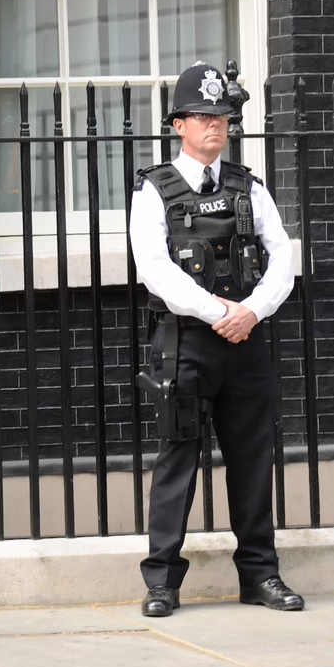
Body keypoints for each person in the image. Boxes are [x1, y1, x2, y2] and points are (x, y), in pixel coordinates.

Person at [130, 59, 300, 618]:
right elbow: (154, 269)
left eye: (221, 117)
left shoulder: (247, 186)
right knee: (177, 459)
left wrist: (251, 311)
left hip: (245, 343)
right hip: (185, 344)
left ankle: (260, 576)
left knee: (252, 460)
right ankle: (162, 582)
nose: (214, 126)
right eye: (203, 117)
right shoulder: (155, 190)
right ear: (178, 125)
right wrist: (219, 311)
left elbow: (282, 256)